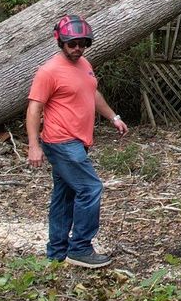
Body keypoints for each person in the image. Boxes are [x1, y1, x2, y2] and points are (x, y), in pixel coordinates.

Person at [25, 14, 129, 268]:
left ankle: (57, 252)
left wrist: (113, 116)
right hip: (61, 142)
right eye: (72, 44)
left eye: (82, 43)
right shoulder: (48, 71)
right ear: (60, 41)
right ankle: (80, 247)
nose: (77, 48)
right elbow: (34, 109)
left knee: (65, 195)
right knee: (90, 188)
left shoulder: (84, 64)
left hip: (79, 141)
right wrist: (33, 145)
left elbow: (92, 92)